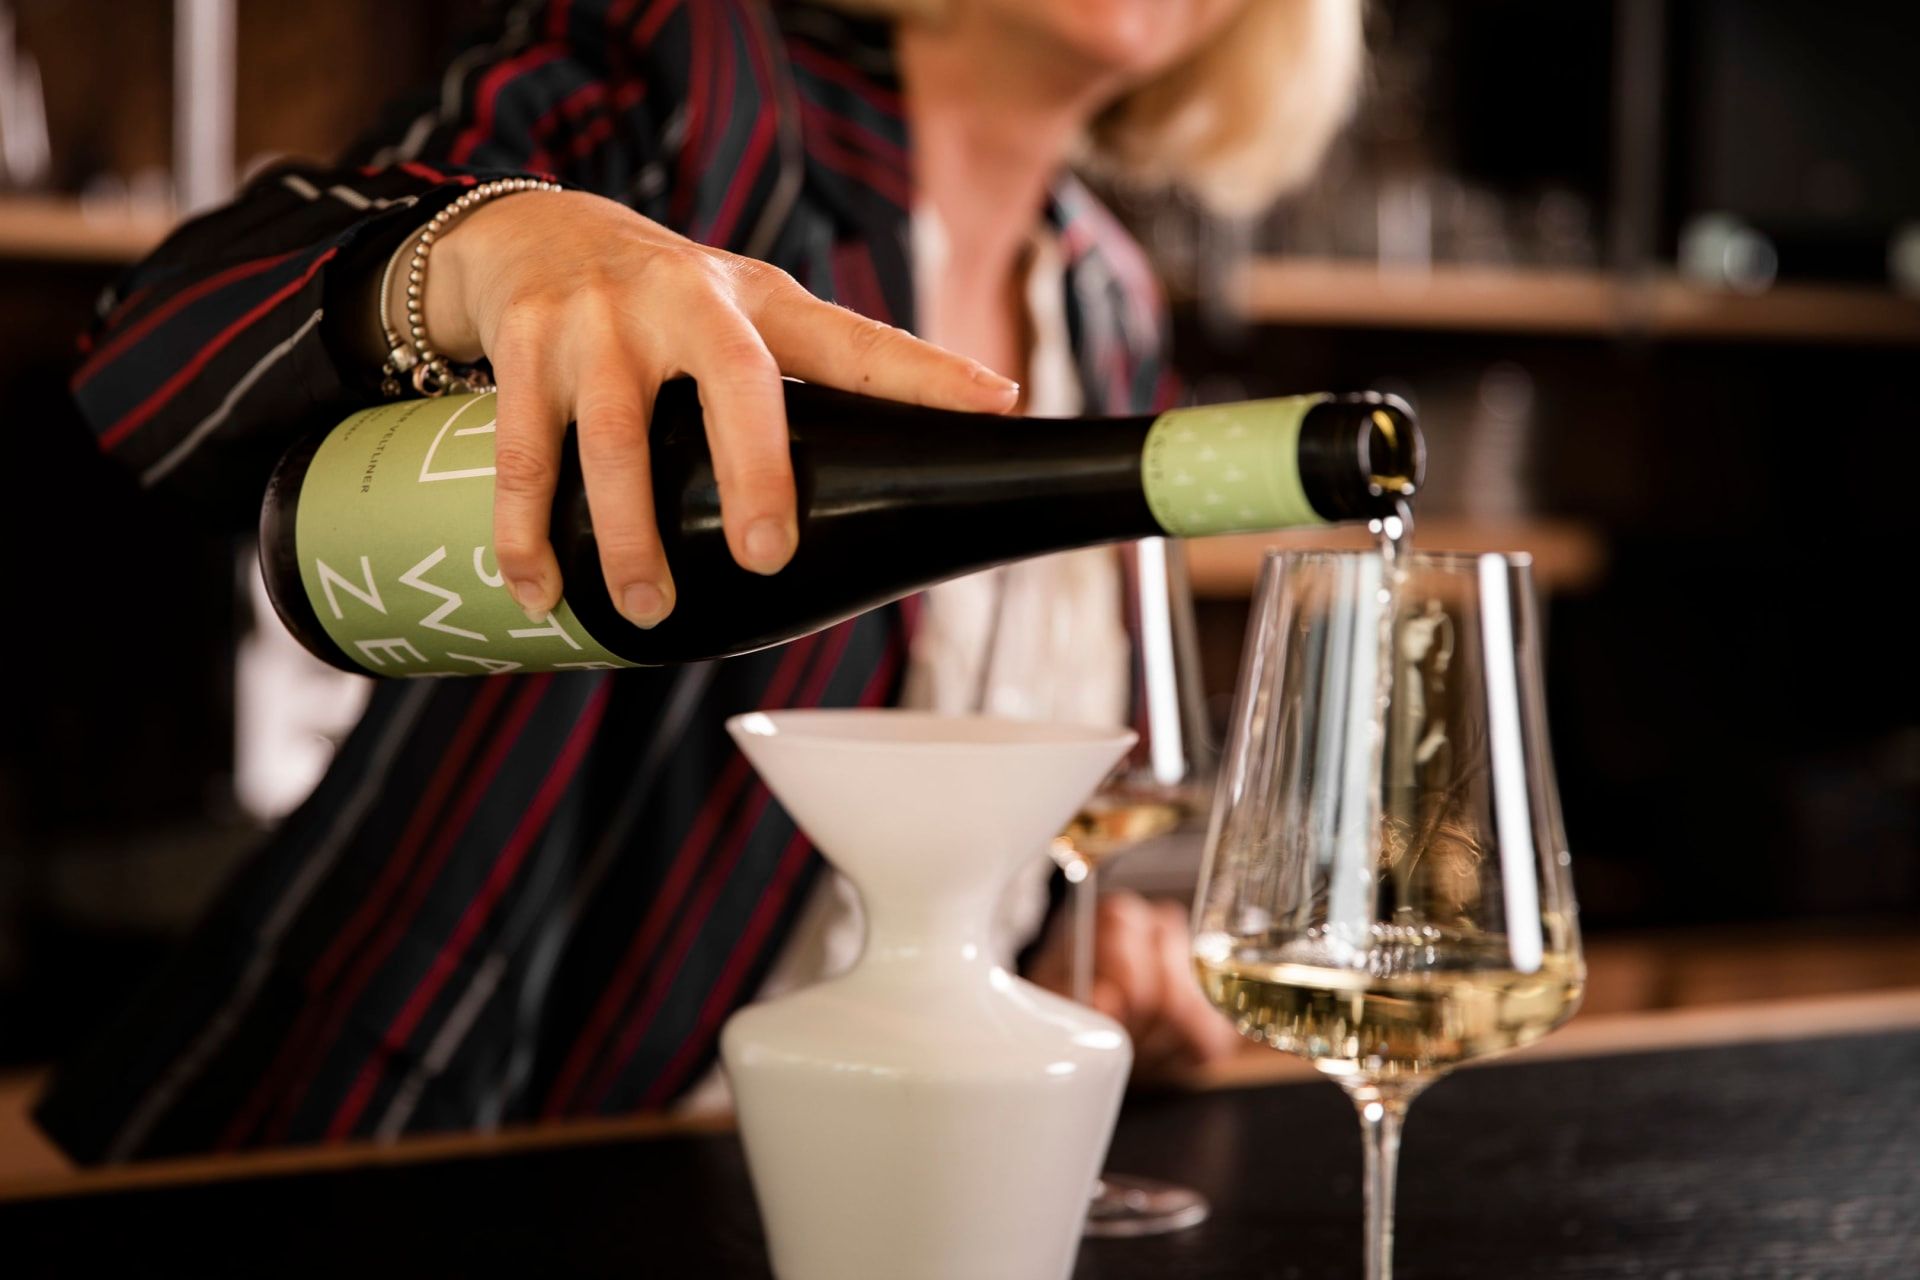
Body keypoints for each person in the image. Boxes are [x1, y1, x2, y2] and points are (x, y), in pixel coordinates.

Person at [40, 0, 1362, 1162]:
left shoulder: (1109, 304)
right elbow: (146, 357)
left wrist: (1042, 957)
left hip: (871, 1180)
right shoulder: (695, 84)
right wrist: (496, 247)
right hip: (454, 1152)